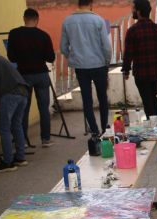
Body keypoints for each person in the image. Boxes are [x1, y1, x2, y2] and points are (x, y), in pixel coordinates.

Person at [60, 0, 112, 135]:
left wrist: (73, 58)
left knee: (86, 99)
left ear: (78, 3)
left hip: (80, 67)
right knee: (102, 97)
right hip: (99, 64)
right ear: (91, 3)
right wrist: (107, 62)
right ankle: (104, 128)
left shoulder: (67, 21)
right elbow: (106, 47)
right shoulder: (98, 20)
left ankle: (94, 131)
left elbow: (63, 47)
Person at [7, 8, 56, 148]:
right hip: (41, 74)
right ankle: (46, 139)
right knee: (43, 108)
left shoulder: (14, 34)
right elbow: (50, 57)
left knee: (23, 109)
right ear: (37, 19)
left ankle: (22, 140)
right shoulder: (43, 35)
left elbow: (11, 57)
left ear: (24, 18)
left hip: (23, 76)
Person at [122, 0, 157, 121]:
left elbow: (128, 54)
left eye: (133, 9)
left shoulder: (132, 31)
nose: (132, 11)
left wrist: (126, 70)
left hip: (141, 75)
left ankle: (154, 131)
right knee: (156, 103)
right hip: (156, 73)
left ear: (138, 11)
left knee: (148, 104)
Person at [0, 52, 29, 173]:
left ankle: (8, 162)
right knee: (16, 125)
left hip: (9, 93)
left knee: (4, 128)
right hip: (23, 91)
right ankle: (20, 158)